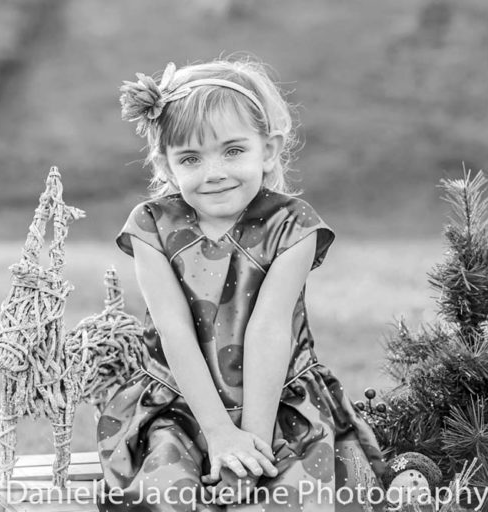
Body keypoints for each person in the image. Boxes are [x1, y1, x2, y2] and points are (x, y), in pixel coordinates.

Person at [97, 57, 387, 512]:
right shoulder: (152, 226)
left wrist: (248, 449)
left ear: (267, 149)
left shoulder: (293, 226)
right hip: (182, 405)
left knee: (294, 501)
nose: (214, 172)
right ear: (167, 165)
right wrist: (217, 433)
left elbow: (269, 329)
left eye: (233, 151)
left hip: (278, 402)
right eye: (191, 158)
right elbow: (174, 332)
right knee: (166, 498)